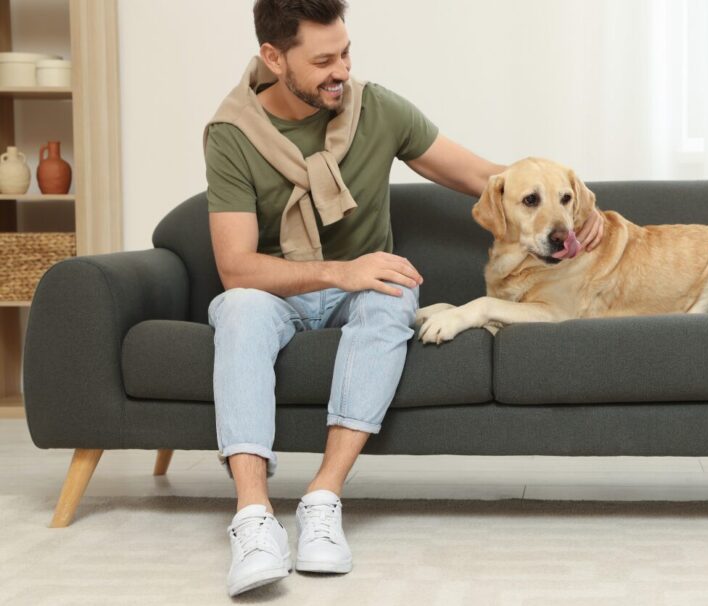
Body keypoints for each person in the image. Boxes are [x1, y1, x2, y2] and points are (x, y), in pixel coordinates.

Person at [204, 0, 606, 597]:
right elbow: (236, 267)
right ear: (274, 57)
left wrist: (576, 209)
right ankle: (254, 518)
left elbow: (485, 177)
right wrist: (341, 271)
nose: (342, 71)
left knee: (396, 292)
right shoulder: (233, 133)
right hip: (278, 290)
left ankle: (323, 500)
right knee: (237, 308)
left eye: (345, 53)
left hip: (364, 288)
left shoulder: (376, 109)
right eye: (323, 61)